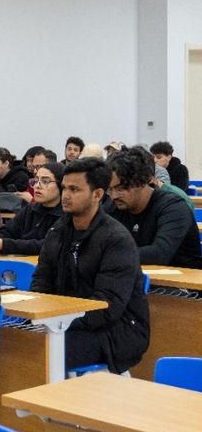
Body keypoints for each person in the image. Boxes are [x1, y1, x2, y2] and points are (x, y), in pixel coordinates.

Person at [30, 157, 149, 374]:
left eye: (74, 189)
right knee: (13, 342)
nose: (65, 195)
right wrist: (44, 319)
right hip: (67, 322)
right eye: (65, 188)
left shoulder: (116, 239)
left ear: (97, 194)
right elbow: (41, 281)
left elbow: (106, 306)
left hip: (116, 331)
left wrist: (60, 323)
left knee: (40, 351)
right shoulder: (58, 231)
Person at [107, 148, 202, 269]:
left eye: (120, 189)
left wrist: (109, 255)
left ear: (142, 181)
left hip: (182, 278)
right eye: (110, 190)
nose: (114, 196)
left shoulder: (174, 207)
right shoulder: (113, 207)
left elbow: (159, 254)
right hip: (134, 274)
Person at [0, 163, 64, 255]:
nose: (37, 186)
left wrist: (3, 244)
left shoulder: (67, 215)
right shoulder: (30, 209)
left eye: (45, 181)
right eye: (36, 181)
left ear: (61, 185)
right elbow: (7, 231)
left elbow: (48, 245)